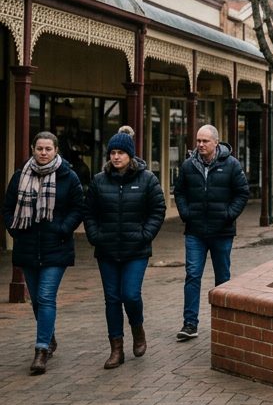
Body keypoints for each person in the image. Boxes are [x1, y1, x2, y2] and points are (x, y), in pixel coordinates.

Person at [2, 131, 85, 375]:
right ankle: (49, 336)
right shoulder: (20, 176)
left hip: (55, 246)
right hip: (27, 245)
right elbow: (8, 208)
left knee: (46, 296)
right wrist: (15, 230)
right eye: (39, 148)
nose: (43, 153)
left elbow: (78, 207)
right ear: (32, 149)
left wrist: (63, 229)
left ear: (56, 150)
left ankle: (40, 350)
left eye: (48, 148)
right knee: (37, 299)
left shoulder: (68, 177)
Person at [84, 127, 166, 368]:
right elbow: (89, 212)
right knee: (112, 299)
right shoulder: (99, 181)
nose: (116, 157)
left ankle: (137, 329)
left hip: (135, 250)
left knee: (130, 294)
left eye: (121, 152)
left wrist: (145, 234)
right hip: (107, 250)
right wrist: (95, 236)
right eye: (113, 152)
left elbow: (157, 210)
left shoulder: (147, 179)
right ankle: (116, 348)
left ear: (130, 155)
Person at [172, 124, 249, 341]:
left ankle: (224, 322)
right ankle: (189, 324)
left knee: (223, 278)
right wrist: (186, 213)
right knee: (193, 275)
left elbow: (242, 193)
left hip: (222, 232)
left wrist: (228, 214)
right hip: (195, 231)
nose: (200, 145)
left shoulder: (231, 165)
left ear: (216, 142)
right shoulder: (189, 165)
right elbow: (179, 191)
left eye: (205, 141)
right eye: (198, 141)